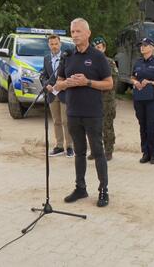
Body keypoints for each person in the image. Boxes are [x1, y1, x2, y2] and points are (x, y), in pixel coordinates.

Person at [52, 18, 113, 207]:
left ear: (88, 33)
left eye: (78, 31)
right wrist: (67, 83)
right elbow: (58, 83)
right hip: (73, 111)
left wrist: (87, 82)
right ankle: (80, 188)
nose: (75, 35)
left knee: (97, 151)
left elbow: (109, 84)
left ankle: (103, 190)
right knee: (79, 152)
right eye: (72, 32)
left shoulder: (98, 57)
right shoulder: (67, 56)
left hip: (93, 112)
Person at [130, 38, 154, 165]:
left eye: (145, 45)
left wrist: (151, 82)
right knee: (142, 125)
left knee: (151, 126)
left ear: (152, 47)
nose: (142, 47)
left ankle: (153, 154)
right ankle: (145, 153)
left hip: (152, 99)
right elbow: (132, 76)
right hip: (139, 98)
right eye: (141, 45)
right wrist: (135, 82)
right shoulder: (138, 62)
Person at [41, 34, 74, 158]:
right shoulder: (46, 58)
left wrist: (64, 84)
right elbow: (43, 75)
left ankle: (70, 146)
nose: (54, 46)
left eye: (56, 44)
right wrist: (46, 85)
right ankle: (59, 146)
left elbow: (71, 73)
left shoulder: (67, 58)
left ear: (60, 44)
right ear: (48, 45)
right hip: (52, 95)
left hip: (65, 93)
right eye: (51, 44)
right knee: (56, 121)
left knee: (67, 121)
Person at [87, 36, 118, 161]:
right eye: (94, 48)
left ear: (104, 48)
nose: (97, 50)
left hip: (106, 101)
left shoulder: (109, 63)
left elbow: (113, 83)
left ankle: (108, 150)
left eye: (99, 47)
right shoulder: (88, 62)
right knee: (92, 128)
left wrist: (95, 84)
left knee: (107, 127)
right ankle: (95, 151)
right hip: (92, 101)